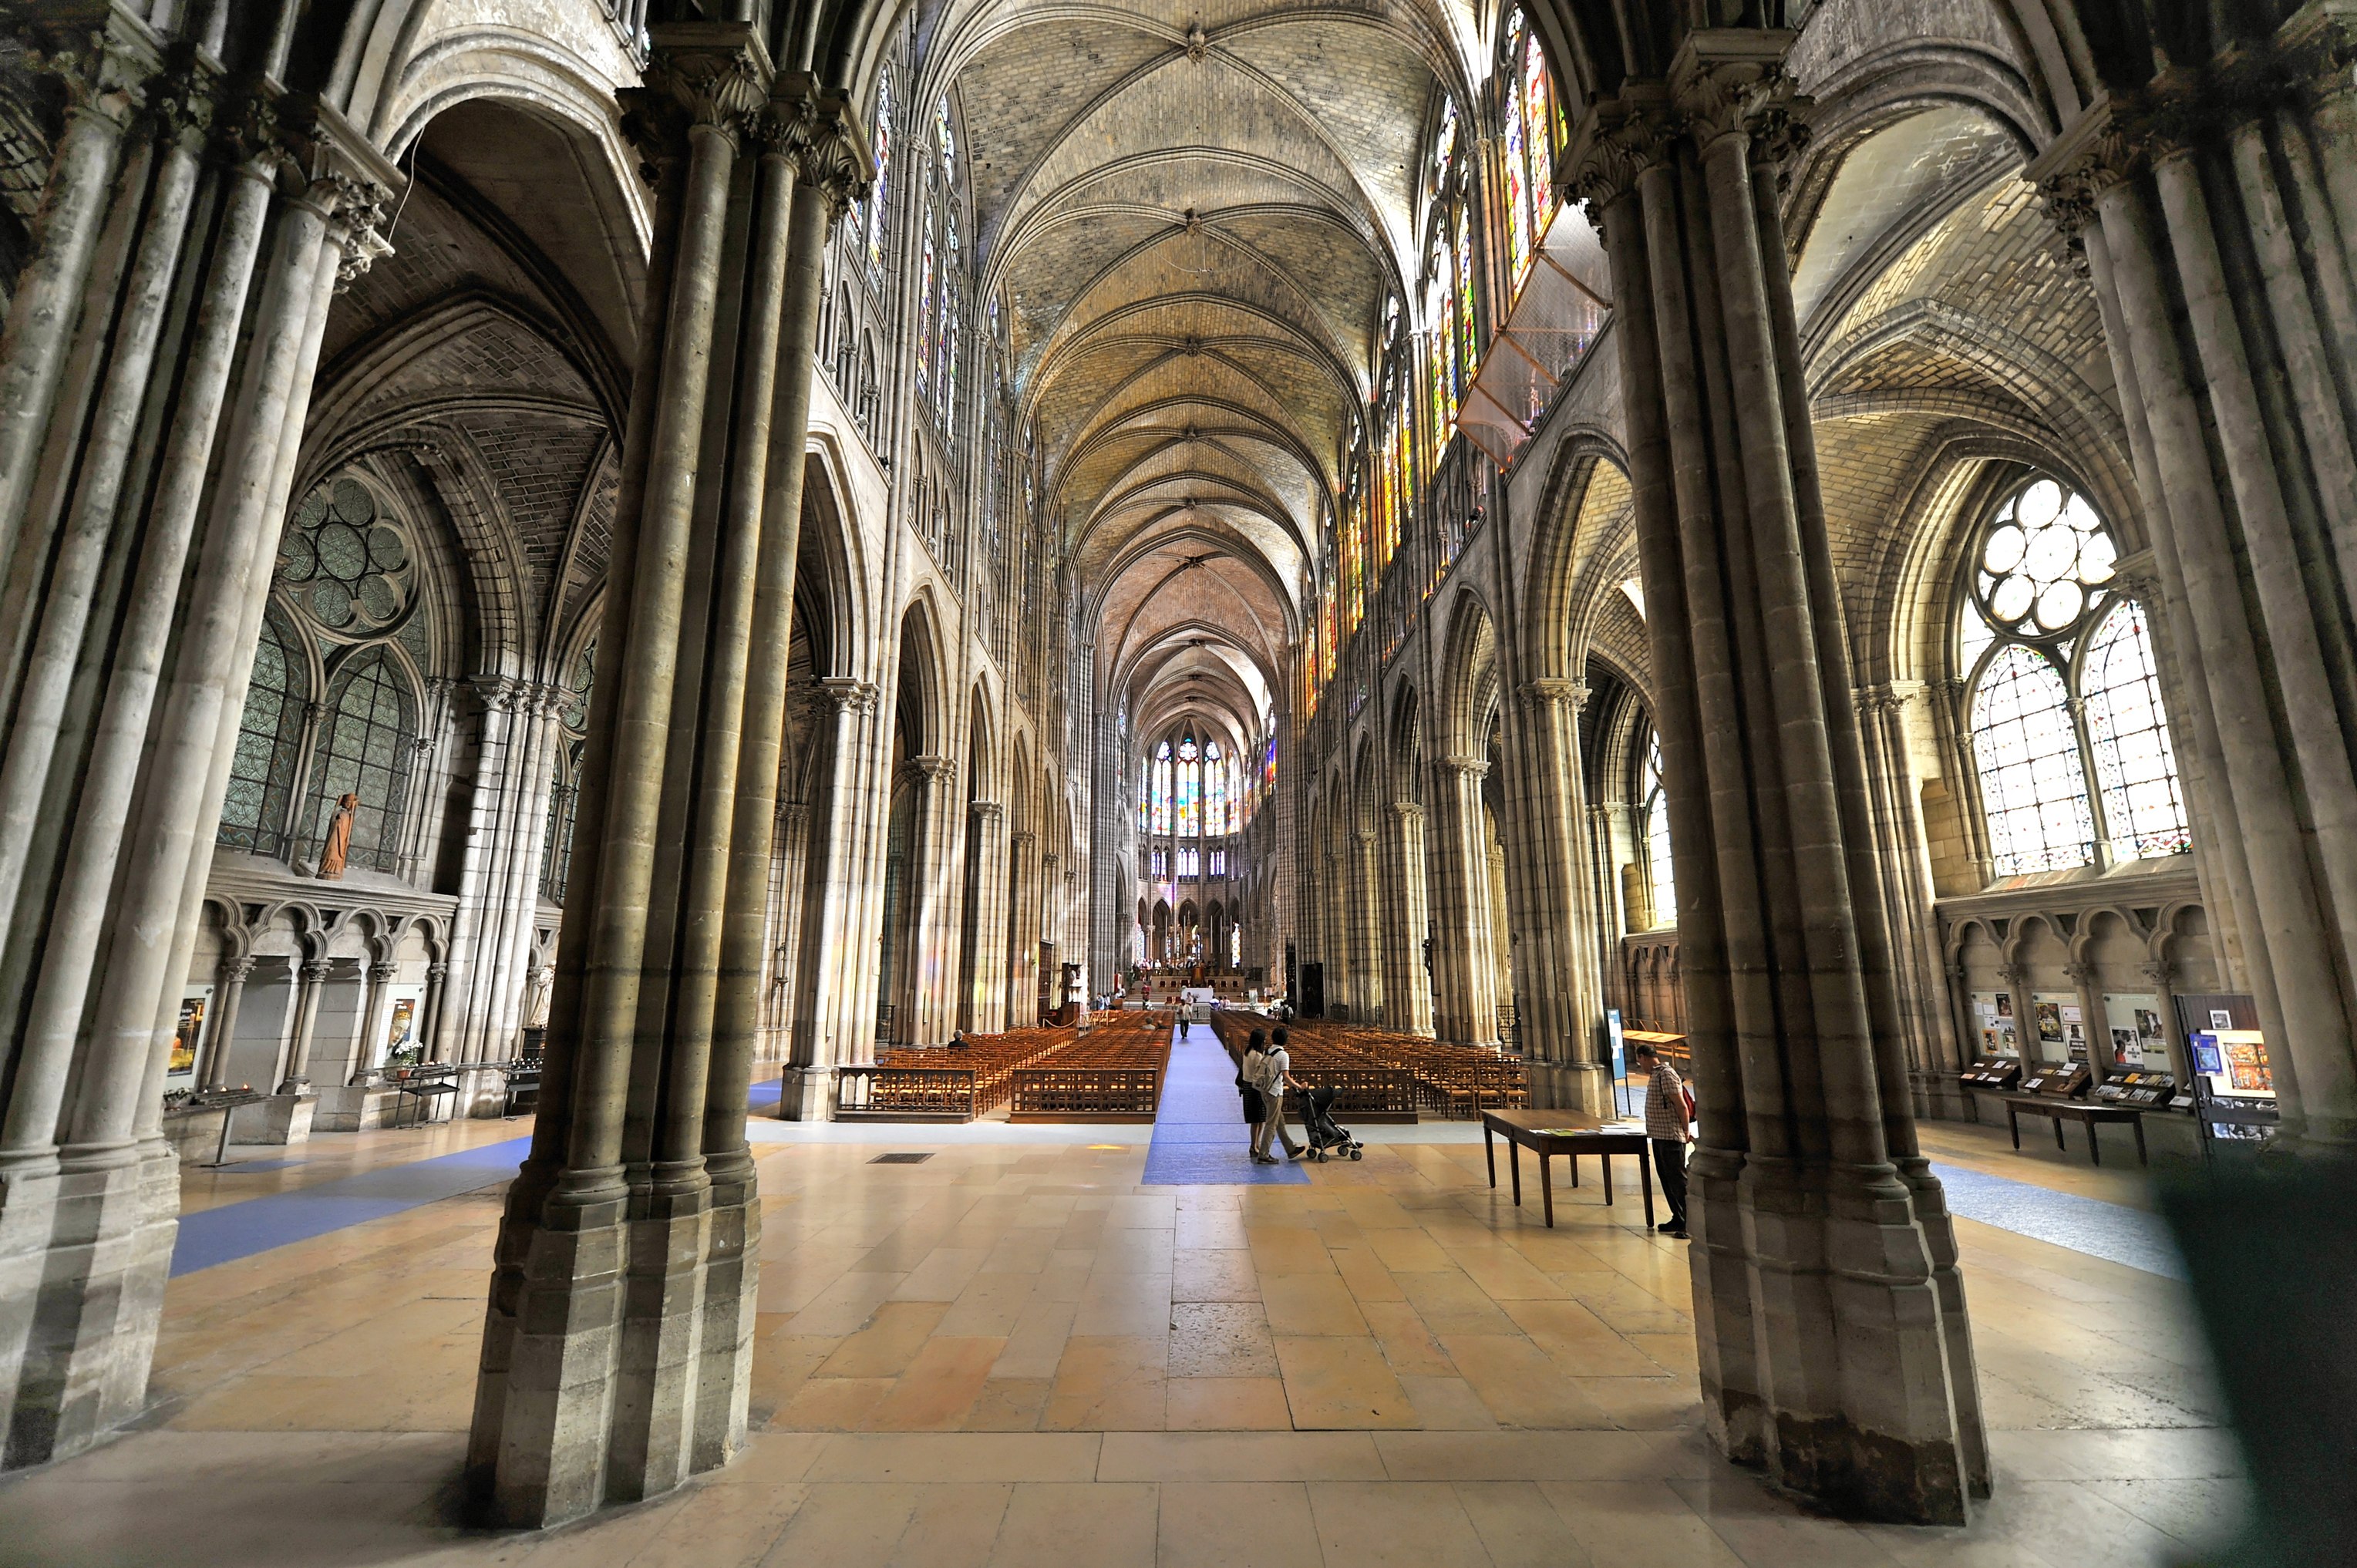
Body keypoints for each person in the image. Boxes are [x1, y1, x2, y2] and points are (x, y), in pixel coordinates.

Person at [1633, 1041, 1691, 1238]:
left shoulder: (1665, 1073)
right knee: (1666, 1179)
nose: (1639, 1065)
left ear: (1643, 1057)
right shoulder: (1655, 1075)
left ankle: (1690, 1224)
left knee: (1678, 1180)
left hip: (1671, 1137)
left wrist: (1686, 1131)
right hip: (1659, 1136)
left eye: (1639, 1061)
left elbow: (1681, 1106)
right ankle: (1678, 1217)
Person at [1251, 1027, 1307, 1162]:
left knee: (1279, 1121)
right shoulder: (1283, 1055)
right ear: (1286, 1040)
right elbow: (1286, 1077)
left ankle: (1290, 1149)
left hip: (1265, 1090)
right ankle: (1263, 1154)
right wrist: (1300, 1086)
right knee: (1271, 1123)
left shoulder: (1268, 1050)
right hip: (1275, 1092)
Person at [1236, 1028, 1268, 1153]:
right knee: (1257, 1119)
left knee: (1259, 1119)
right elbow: (1261, 1073)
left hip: (1248, 1086)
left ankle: (1256, 1144)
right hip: (1256, 1088)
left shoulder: (1247, 1052)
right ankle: (1253, 1145)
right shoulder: (1257, 1056)